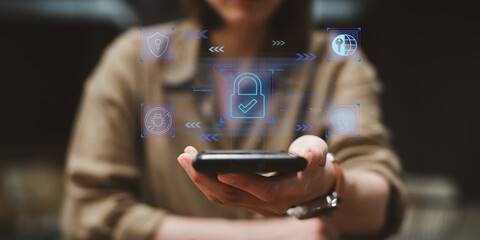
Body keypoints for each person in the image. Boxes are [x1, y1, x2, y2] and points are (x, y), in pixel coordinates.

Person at [62, 0, 406, 239]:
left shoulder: (337, 61)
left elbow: (381, 207)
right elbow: (89, 214)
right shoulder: (133, 59)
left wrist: (328, 184)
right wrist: (263, 236)